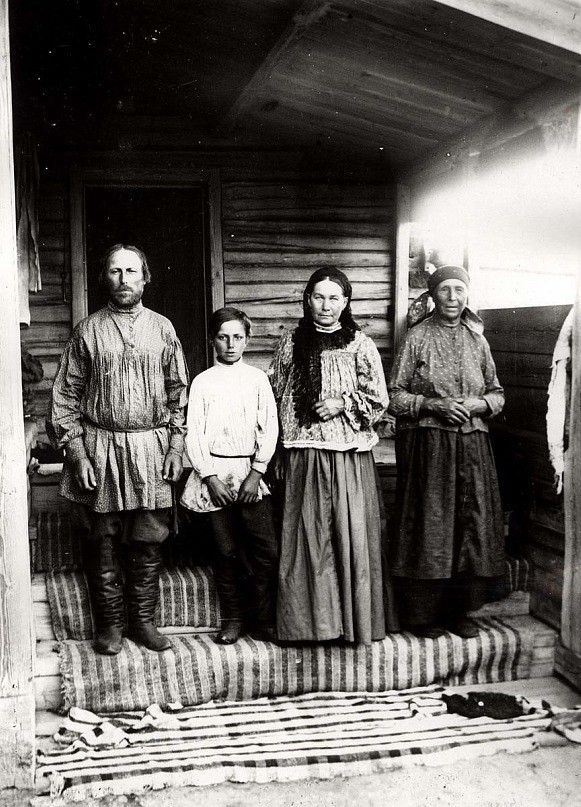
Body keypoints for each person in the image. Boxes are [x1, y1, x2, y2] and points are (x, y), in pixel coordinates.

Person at [48, 244, 188, 655]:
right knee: (102, 539)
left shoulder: (162, 328)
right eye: (115, 271)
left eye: (131, 271)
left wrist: (175, 446)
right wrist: (77, 453)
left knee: (147, 539)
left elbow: (178, 393)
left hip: (150, 448)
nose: (124, 279)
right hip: (100, 448)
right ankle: (110, 626)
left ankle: (143, 622)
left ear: (146, 278)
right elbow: (65, 396)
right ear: (104, 278)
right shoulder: (87, 331)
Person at [269, 266, 397, 645]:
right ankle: (313, 627)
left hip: (347, 456)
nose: (326, 306)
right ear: (307, 300)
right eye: (319, 297)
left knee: (348, 536)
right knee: (309, 539)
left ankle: (351, 625)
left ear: (345, 302)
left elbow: (378, 399)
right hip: (303, 453)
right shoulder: (290, 342)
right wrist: (277, 448)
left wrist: (342, 402)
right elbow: (275, 394)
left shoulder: (360, 344)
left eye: (334, 298)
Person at [388, 265, 505, 639]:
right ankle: (423, 616)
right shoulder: (417, 337)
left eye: (459, 289)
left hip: (472, 445)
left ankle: (459, 611)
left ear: (467, 294)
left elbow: (497, 394)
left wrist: (478, 404)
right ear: (432, 295)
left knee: (469, 526)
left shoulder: (477, 341)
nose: (453, 297)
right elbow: (394, 395)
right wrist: (432, 405)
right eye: (445, 290)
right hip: (430, 446)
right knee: (431, 525)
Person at [181, 307, 279, 644]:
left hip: (250, 473)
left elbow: (269, 428)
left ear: (247, 340)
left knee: (266, 551)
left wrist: (256, 472)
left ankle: (262, 619)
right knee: (225, 553)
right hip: (215, 475)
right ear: (213, 340)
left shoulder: (257, 379)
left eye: (238, 337)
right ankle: (234, 620)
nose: (231, 344)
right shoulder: (203, 382)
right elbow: (193, 433)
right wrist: (210, 477)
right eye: (223, 337)